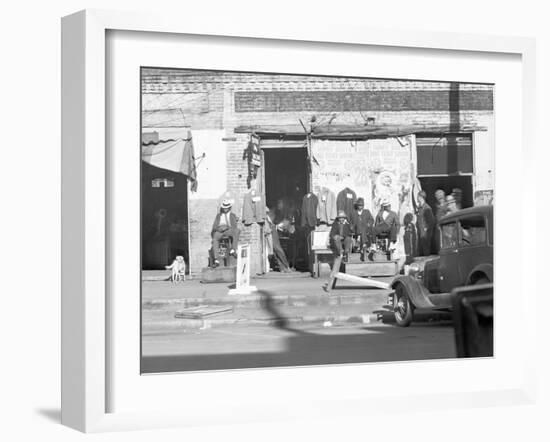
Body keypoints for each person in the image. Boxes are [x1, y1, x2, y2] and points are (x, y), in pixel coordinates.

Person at [210, 199, 240, 268]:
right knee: (215, 238)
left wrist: (227, 228)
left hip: (228, 230)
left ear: (229, 208)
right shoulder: (218, 215)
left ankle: (233, 250)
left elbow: (234, 226)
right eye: (224, 208)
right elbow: (214, 226)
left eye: (227, 208)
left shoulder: (232, 215)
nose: (225, 209)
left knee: (237, 231)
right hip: (219, 230)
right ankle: (216, 259)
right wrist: (218, 229)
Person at [265, 207, 293, 273]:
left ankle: (286, 266)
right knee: (274, 251)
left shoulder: (268, 216)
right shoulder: (266, 217)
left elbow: (273, 223)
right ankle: (282, 268)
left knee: (278, 249)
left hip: (272, 231)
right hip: (269, 232)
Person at [416, 191, 435, 256]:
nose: (417, 198)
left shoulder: (427, 208)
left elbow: (432, 221)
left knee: (426, 249)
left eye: (418, 196)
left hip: (425, 233)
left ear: (421, 197)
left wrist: (426, 228)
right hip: (420, 231)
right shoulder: (419, 208)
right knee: (422, 249)